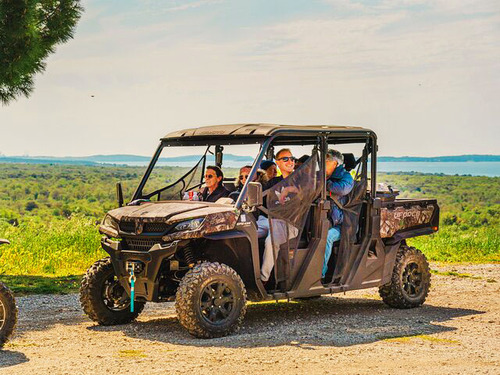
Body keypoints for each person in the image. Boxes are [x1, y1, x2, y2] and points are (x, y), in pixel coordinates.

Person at [260, 148, 299, 283]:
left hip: (290, 224)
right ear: (277, 162)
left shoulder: (300, 180)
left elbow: (307, 192)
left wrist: (290, 189)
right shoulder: (273, 182)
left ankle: (263, 279)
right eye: (285, 159)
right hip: (271, 220)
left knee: (270, 242)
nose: (290, 161)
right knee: (246, 230)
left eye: (292, 158)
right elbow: (262, 199)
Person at [322, 149, 354, 279]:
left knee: (327, 236)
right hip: (324, 219)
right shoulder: (321, 175)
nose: (322, 164)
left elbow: (341, 189)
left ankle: (320, 275)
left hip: (342, 224)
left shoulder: (346, 177)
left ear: (335, 163)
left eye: (326, 161)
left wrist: (325, 183)